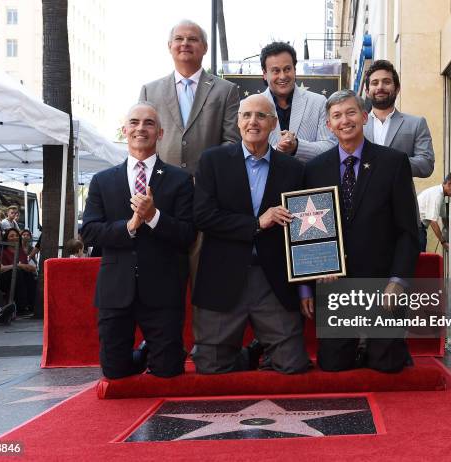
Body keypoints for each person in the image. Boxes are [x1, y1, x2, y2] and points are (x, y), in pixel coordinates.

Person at [192, 94, 310, 375]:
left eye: (260, 116)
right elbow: (203, 216)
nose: (252, 122)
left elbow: (306, 228)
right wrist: (257, 223)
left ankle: (267, 349)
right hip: (224, 273)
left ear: (273, 124)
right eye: (246, 115)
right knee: (210, 367)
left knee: (293, 366)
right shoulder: (213, 161)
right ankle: (250, 353)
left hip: (273, 279)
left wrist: (306, 286)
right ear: (238, 122)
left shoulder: (294, 170)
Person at [302, 90, 419, 373]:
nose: (345, 120)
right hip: (335, 285)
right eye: (337, 116)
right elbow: (308, 230)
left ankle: (383, 346)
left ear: (364, 117)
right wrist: (307, 284)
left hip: (381, 283)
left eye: (351, 112)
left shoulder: (393, 163)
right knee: (333, 365)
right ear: (328, 125)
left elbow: (408, 230)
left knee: (387, 365)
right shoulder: (314, 169)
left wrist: (398, 281)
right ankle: (359, 347)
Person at [82, 103, 196, 379]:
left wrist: (153, 216)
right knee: (115, 372)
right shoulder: (102, 181)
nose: (140, 128)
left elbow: (187, 235)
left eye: (148, 123)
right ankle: (142, 352)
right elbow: (89, 232)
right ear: (125, 130)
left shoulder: (180, 180)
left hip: (162, 290)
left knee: (168, 371)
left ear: (160, 132)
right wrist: (131, 225)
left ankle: (159, 353)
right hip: (115, 289)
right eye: (134, 122)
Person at [139, 19, 240, 176]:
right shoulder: (150, 91)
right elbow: (143, 139)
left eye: (192, 39)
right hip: (161, 184)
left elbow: (232, 141)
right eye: (179, 38)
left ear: (205, 47)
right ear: (169, 46)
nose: (185, 43)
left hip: (208, 184)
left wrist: (210, 170)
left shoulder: (226, 90)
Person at [260, 41, 335, 162]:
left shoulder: (319, 102)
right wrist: (278, 149)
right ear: (264, 74)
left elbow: (330, 146)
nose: (283, 76)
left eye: (287, 69)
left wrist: (297, 146)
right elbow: (249, 151)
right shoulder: (251, 107)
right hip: (266, 179)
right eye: (276, 71)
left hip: (307, 179)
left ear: (295, 70)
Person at [363, 60, 434, 178]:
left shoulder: (416, 124)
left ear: (397, 89)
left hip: (400, 195)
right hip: (363, 196)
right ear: (367, 92)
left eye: (386, 82)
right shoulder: (357, 126)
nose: (380, 87)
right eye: (375, 83)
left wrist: (390, 162)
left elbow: (426, 165)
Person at [0, 228, 37, 314]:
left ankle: (31, 305)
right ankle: (21, 306)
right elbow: (3, 268)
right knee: (19, 273)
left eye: (16, 236)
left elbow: (27, 265)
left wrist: (26, 267)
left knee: (29, 275)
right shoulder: (3, 252)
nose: (15, 237)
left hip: (23, 276)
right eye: (11, 236)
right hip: (7, 278)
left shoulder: (21, 251)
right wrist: (19, 266)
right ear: (6, 238)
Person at [417, 172, 451, 252]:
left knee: (420, 257)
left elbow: (443, 217)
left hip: (418, 228)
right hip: (417, 229)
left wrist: (448, 232)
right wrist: (443, 242)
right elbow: (433, 222)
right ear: (449, 184)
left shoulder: (441, 194)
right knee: (420, 257)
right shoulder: (437, 195)